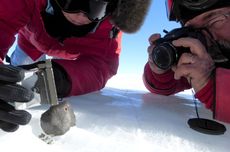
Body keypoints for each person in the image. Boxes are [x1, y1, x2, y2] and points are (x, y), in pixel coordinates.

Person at [0, 0, 122, 132]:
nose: (81, 16)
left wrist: (58, 78)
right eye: (73, 2)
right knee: (13, 76)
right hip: (30, 45)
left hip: (66, 54)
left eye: (97, 8)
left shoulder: (110, 26)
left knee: (24, 86)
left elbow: (102, 64)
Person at [143, 0, 230, 123]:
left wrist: (214, 90)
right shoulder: (206, 58)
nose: (206, 40)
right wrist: (162, 69)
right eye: (195, 32)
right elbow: (163, 86)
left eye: (216, 21)